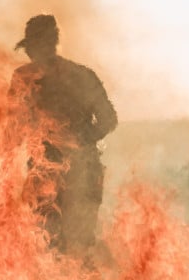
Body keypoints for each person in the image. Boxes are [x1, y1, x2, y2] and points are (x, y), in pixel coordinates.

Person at [11, 14, 118, 256]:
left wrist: (76, 142)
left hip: (64, 172)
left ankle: (76, 277)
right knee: (69, 245)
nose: (30, 54)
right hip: (65, 171)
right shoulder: (81, 75)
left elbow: (13, 129)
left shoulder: (27, 78)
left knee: (59, 245)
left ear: (42, 44)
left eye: (32, 47)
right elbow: (108, 119)